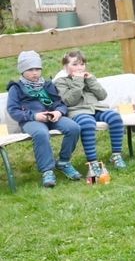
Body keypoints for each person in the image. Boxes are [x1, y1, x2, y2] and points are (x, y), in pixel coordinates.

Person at [6, 51, 82, 187]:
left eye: (37, 69)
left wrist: (58, 112)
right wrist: (34, 116)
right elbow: (13, 110)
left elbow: (59, 103)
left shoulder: (47, 85)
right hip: (31, 120)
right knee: (41, 133)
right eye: (30, 69)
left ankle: (64, 162)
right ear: (22, 70)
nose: (34, 72)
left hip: (52, 117)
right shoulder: (16, 88)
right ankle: (47, 170)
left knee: (73, 127)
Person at [53, 50, 127, 182]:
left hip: (97, 108)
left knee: (115, 117)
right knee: (87, 123)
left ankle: (116, 155)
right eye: (75, 64)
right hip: (78, 111)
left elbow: (102, 95)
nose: (79, 68)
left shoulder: (88, 78)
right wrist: (78, 81)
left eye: (82, 64)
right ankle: (93, 163)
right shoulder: (60, 82)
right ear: (65, 67)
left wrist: (91, 80)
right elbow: (69, 101)